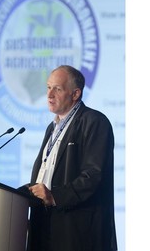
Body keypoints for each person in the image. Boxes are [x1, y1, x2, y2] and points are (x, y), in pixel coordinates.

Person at [26, 65, 118, 251]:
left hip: (78, 233)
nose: (49, 95)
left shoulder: (94, 122)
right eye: (48, 87)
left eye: (57, 89)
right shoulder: (52, 128)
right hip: (46, 227)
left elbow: (94, 176)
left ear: (75, 94)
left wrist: (54, 197)